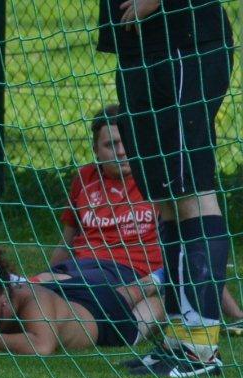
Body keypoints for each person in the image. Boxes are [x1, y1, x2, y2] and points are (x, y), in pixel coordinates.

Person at [96, 0, 234, 377]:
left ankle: (200, 347)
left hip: (185, 44)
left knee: (191, 194)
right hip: (137, 48)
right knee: (167, 199)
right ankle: (177, 339)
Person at [40, 104, 243, 330]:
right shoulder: (86, 178)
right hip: (83, 266)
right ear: (95, 149)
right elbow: (66, 242)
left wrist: (236, 313)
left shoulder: (155, 179)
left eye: (126, 143)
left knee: (61, 291)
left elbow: (195, 249)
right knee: (44, 285)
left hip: (133, 271)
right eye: (110, 144)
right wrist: (51, 271)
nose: (120, 151)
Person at [0, 243, 163, 355]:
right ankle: (156, 280)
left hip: (103, 317)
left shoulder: (32, 301)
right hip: (65, 297)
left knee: (151, 306)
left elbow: (42, 347)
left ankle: (163, 278)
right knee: (129, 292)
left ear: (5, 294)